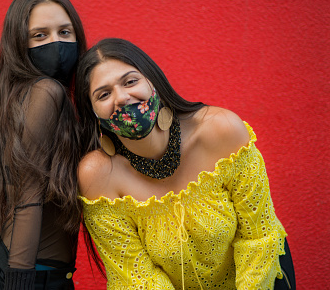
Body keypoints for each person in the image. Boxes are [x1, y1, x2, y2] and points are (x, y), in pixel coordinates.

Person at [74, 38, 295, 289]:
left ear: (152, 82)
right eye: (103, 94)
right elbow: (136, 278)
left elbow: (258, 238)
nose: (122, 97)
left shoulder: (221, 130)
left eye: (130, 81)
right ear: (92, 112)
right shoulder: (98, 176)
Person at [0, 0, 87, 290]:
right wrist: (20, 281)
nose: (56, 44)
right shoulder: (47, 92)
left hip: (30, 275)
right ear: (19, 45)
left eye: (64, 31)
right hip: (25, 278)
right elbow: (29, 197)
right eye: (40, 36)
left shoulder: (23, 96)